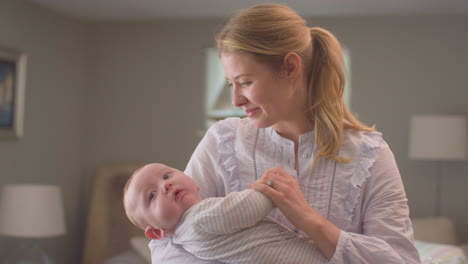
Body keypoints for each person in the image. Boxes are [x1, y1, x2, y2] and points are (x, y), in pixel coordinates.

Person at [150, 3, 421, 264]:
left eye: (245, 82)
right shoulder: (222, 141)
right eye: (230, 84)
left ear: (290, 67)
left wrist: (308, 219)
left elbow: (402, 260)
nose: (235, 100)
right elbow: (171, 246)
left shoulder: (370, 155)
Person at [123, 163, 327, 264]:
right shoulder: (196, 221)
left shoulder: (190, 236)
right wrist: (269, 189)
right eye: (151, 195)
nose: (165, 185)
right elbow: (242, 209)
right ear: (157, 233)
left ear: (195, 184)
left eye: (167, 175)